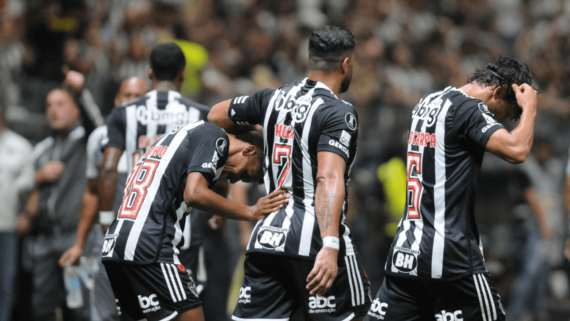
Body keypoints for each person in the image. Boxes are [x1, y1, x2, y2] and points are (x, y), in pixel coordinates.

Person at [208, 25, 372, 321]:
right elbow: (328, 178)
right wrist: (331, 245)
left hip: (266, 238)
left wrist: (263, 134)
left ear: (309, 58)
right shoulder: (338, 112)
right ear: (347, 64)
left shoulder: (271, 99)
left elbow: (215, 115)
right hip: (313, 240)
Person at [363, 56, 538, 321]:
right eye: (506, 115)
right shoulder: (469, 109)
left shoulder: (428, 101)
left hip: (405, 254)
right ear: (500, 92)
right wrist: (531, 108)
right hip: (451, 259)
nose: (501, 123)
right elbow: (517, 150)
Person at [101, 120, 290, 321]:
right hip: (150, 244)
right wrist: (249, 211)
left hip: (116, 244)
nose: (236, 180)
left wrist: (223, 210)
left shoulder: (187, 134)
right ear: (249, 151)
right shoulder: (215, 137)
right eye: (246, 174)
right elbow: (194, 193)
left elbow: (205, 183)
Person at [58, 76, 149, 321]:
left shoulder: (162, 140)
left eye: (137, 97)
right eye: (126, 96)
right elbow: (92, 193)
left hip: (149, 240)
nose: (130, 103)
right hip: (106, 237)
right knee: (103, 310)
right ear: (117, 100)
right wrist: (79, 244)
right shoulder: (100, 137)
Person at [19, 87, 91, 321]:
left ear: (75, 109)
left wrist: (81, 91)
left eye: (60, 104)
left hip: (75, 239)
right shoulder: (43, 149)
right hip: (45, 240)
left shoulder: (86, 141)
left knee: (79, 307)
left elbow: (96, 123)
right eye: (49, 105)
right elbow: (21, 187)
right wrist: (38, 177)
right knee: (42, 307)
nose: (53, 110)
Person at [509, 137, 565, 319]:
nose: (544, 154)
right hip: (533, 228)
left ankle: (537, 312)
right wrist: (544, 225)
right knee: (530, 272)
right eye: (541, 150)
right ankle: (515, 313)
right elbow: (532, 199)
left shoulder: (554, 167)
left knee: (543, 273)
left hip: (552, 227)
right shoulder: (526, 168)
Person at [0, 104, 34, 321]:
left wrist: (26, 214)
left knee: (6, 283)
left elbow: (31, 185)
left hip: (7, 225)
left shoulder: (19, 145)